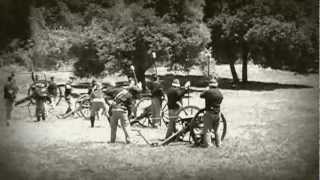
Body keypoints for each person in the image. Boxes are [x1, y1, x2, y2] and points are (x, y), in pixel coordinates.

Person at [199, 79, 223, 148]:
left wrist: (206, 90)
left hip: (209, 112)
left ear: (210, 85)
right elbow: (221, 98)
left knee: (207, 129)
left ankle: (208, 145)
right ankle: (218, 144)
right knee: (217, 130)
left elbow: (201, 95)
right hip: (217, 112)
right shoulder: (219, 92)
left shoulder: (208, 92)